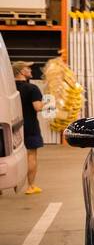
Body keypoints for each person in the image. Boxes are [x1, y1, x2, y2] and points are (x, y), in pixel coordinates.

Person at [13, 61, 44, 196]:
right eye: (27, 68)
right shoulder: (32, 88)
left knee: (7, 157)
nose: (30, 70)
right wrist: (47, 102)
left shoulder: (8, 88)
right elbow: (37, 107)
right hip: (29, 126)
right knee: (31, 155)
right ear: (21, 71)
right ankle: (30, 186)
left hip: (11, 127)